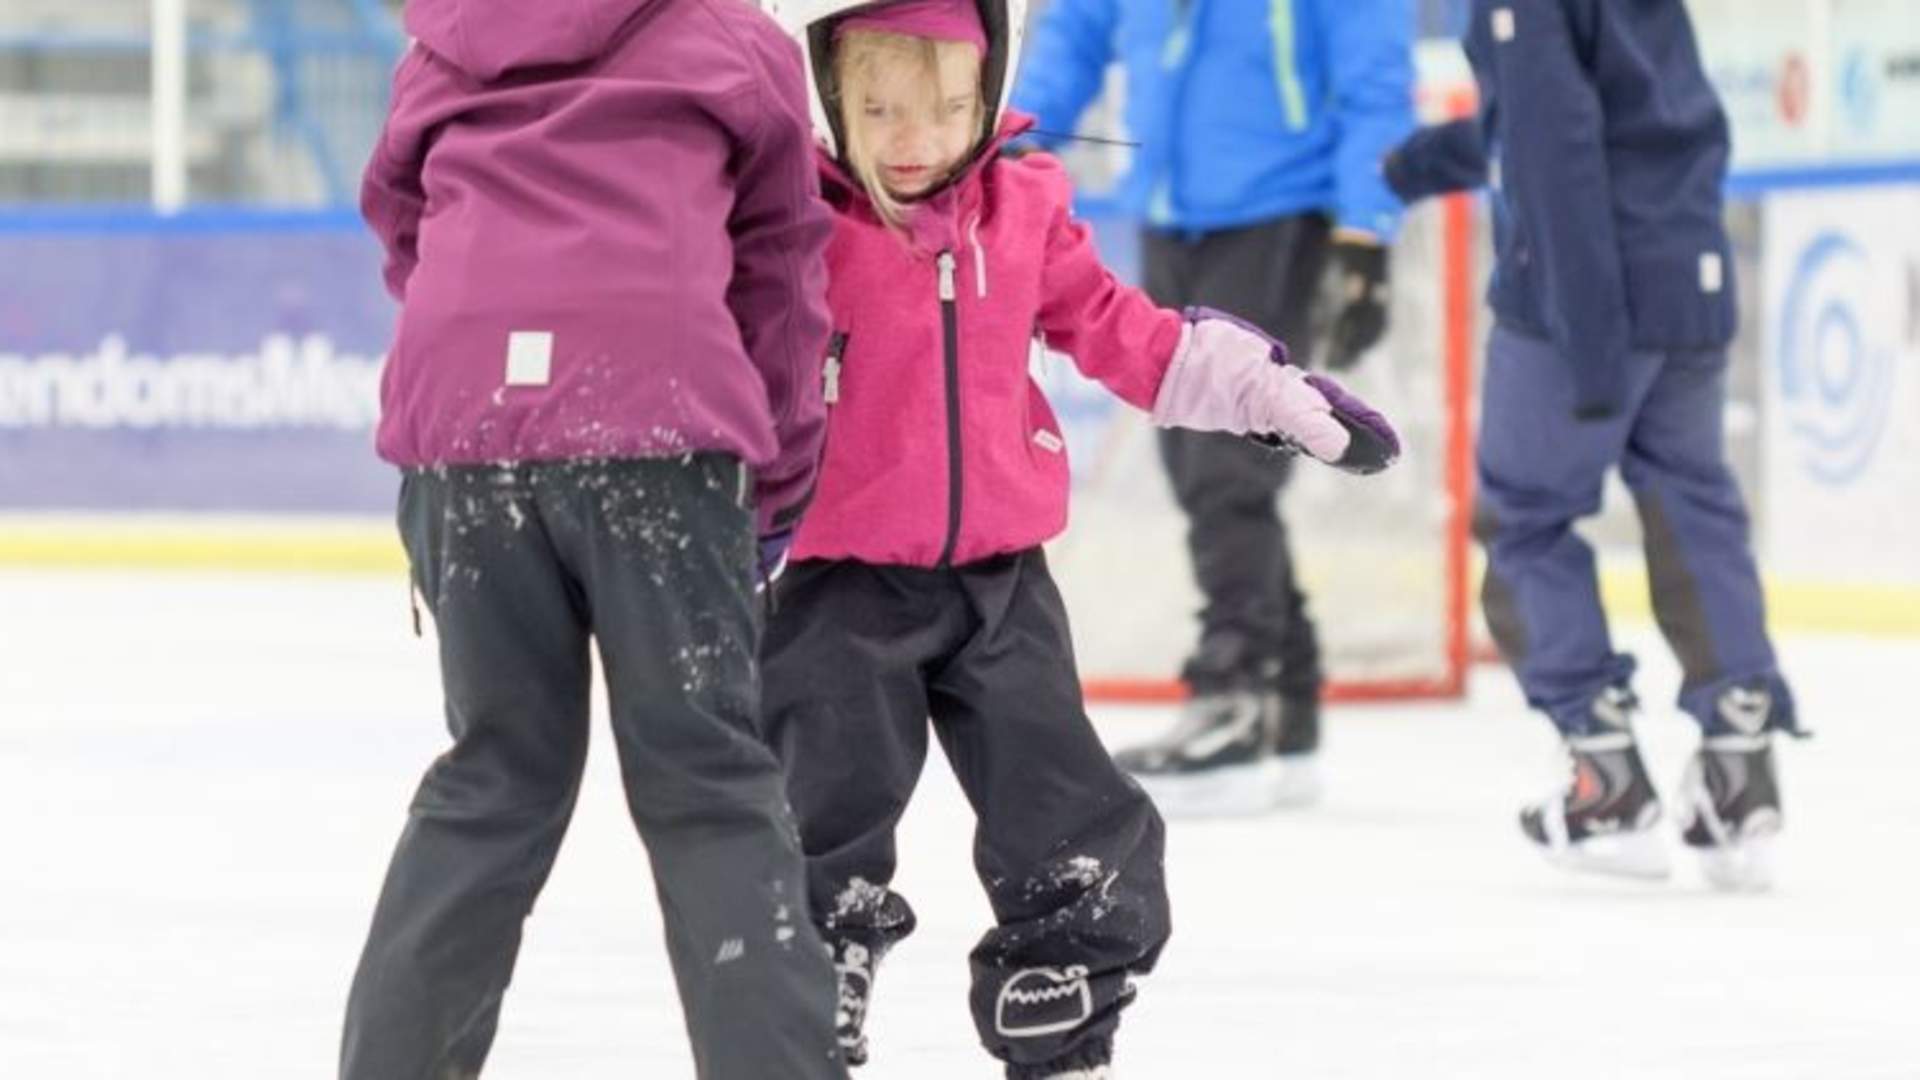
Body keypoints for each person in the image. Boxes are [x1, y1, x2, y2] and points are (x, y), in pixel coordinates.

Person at [753, 1, 1400, 1076]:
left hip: (1002, 584)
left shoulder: (1020, 208)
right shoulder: (795, 226)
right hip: (838, 582)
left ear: (991, 94)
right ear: (825, 96)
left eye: (949, 110)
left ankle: (1055, 984)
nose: (916, 141)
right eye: (880, 111)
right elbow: (719, 358)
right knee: (819, 802)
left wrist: (1265, 392)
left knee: (1063, 803)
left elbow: (1122, 330)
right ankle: (808, 971)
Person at [339, 0, 849, 1076]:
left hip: (467, 442)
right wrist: (780, 482)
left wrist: (489, 357)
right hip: (657, 431)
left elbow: (401, 227)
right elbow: (785, 282)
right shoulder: (735, 42)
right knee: (706, 780)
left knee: (493, 778)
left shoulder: (440, 46)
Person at [1384, 0, 1801, 890]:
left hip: (1585, 298)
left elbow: (1552, 142)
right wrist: (1418, 164)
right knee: (1696, 505)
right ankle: (1740, 774)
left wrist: (1585, 326)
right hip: (1689, 271)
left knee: (1525, 519)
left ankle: (1602, 774)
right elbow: (1597, 115)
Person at [1011, 0, 1418, 814]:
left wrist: (1367, 234)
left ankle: (1233, 694)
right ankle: (1287, 704)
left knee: (1226, 471)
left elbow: (1375, 74)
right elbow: (1076, 34)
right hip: (1171, 207)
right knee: (1202, 453)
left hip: (1277, 211)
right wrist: (1010, 143)